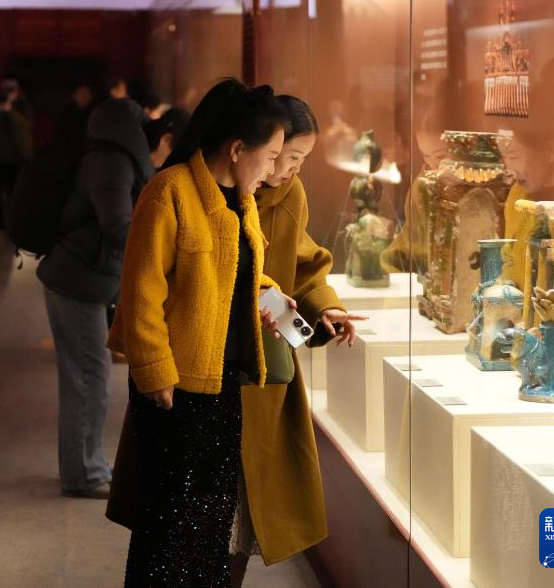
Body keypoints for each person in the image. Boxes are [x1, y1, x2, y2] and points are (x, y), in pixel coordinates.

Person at [107, 79, 290, 586]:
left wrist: (269, 294)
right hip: (174, 387)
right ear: (237, 149)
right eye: (271, 156)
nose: (274, 169)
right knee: (168, 522)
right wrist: (154, 372)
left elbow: (231, 270)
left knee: (211, 522)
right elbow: (141, 293)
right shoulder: (169, 192)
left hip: (222, 382)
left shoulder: (240, 201)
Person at [230, 95, 367, 585]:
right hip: (211, 362)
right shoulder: (216, 192)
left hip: (264, 367)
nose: (292, 169)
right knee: (204, 507)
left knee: (245, 507)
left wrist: (324, 305)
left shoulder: (291, 194)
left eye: (302, 160)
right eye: (288, 157)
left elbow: (305, 261)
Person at [36, 98, 154, 499]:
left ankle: (85, 466)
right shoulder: (111, 161)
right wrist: (160, 244)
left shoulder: (104, 156)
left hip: (78, 276)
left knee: (84, 377)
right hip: (78, 281)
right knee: (88, 377)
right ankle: (83, 474)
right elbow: (117, 225)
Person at [0, 73, 34, 227]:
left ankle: (17, 224)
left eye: (11, 88)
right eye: (5, 88)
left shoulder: (23, 103)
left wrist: (10, 109)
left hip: (19, 155)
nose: (8, 92)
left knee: (18, 192)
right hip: (1, 155)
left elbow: (25, 124)